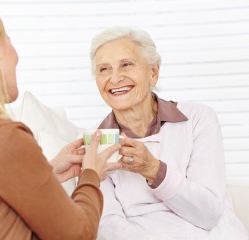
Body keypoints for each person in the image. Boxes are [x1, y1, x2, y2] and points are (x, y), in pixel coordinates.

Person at [0, 1, 122, 239]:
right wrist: (90, 175)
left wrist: (45, 173)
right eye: (9, 40)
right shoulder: (0, 137)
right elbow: (78, 235)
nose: (17, 56)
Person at [90, 26, 248, 240]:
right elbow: (109, 228)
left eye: (126, 65)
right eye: (104, 69)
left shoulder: (198, 119)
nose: (115, 78)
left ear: (153, 72)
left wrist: (154, 170)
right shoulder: (97, 145)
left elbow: (208, 213)